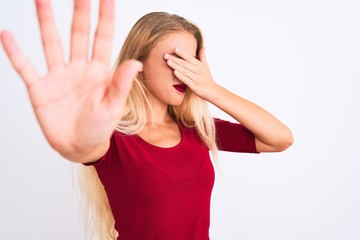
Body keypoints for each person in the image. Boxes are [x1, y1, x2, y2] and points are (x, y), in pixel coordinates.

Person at [0, 0, 294, 239]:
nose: (183, 73)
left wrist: (212, 90)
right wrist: (75, 139)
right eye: (172, 60)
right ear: (137, 64)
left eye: (190, 63)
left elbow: (281, 139)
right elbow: (86, 148)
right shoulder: (112, 137)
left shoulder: (199, 130)